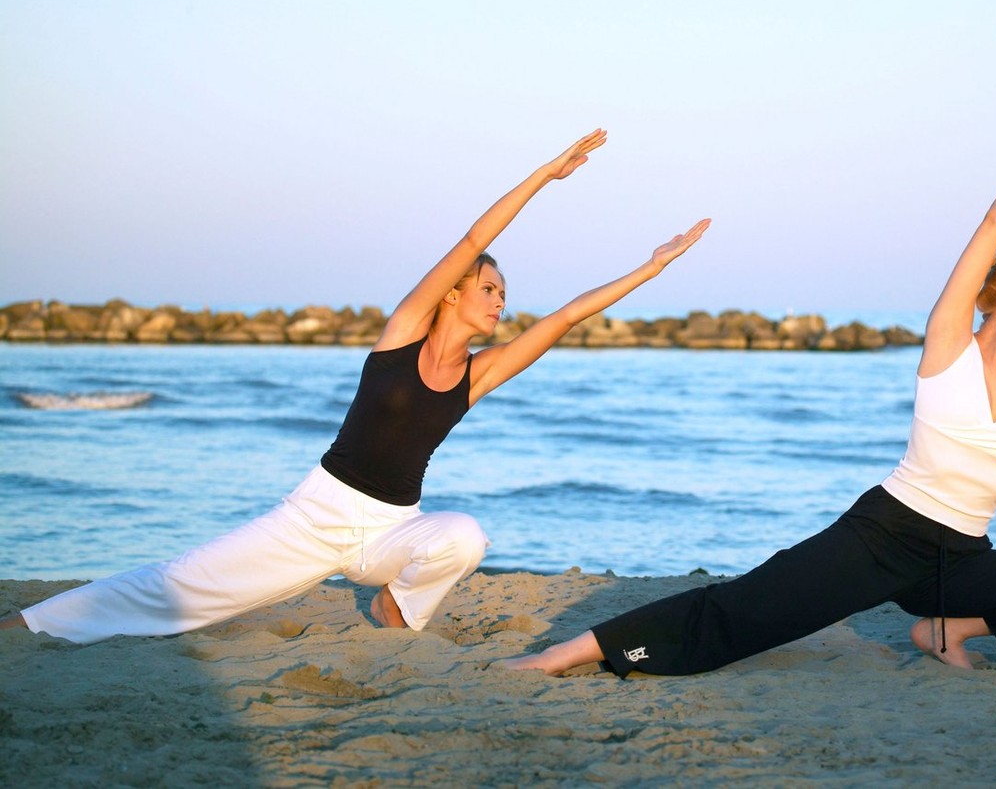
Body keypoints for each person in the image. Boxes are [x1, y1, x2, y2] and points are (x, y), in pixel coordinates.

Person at [501, 109, 996, 677]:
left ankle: (946, 633)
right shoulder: (947, 346)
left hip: (958, 561)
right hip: (879, 537)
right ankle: (571, 652)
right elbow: (989, 226)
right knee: (742, 614)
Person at [1, 129, 710, 645]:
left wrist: (653, 267)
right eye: (489, 288)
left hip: (393, 530)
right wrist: (543, 176)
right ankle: (31, 622)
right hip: (314, 519)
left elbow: (565, 317)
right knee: (181, 585)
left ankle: (394, 615)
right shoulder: (402, 332)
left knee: (465, 537)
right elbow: (469, 240)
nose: (500, 300)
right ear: (454, 295)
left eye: (502, 291)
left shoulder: (479, 372)